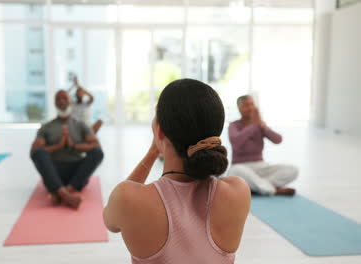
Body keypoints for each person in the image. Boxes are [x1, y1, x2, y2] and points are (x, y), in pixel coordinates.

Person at [103, 79, 250, 263]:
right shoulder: (238, 191)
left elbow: (109, 221)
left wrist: (153, 152)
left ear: (160, 131)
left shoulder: (127, 198)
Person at [30, 90, 104, 209]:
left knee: (97, 153)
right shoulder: (46, 127)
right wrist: (58, 146)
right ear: (54, 103)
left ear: (71, 102)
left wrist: (73, 146)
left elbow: (96, 146)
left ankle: (61, 193)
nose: (61, 101)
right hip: (54, 172)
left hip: (76, 172)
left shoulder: (81, 125)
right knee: (38, 153)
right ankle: (67, 195)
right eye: (58, 99)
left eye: (64, 98)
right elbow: (35, 149)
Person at [228, 95, 298, 196]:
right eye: (246, 105)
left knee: (293, 170)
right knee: (235, 171)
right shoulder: (233, 125)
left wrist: (264, 128)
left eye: (252, 104)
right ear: (239, 109)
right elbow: (236, 142)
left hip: (261, 166)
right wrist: (253, 125)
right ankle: (273, 190)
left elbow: (278, 140)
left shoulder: (260, 125)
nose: (250, 107)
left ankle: (257, 187)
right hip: (241, 166)